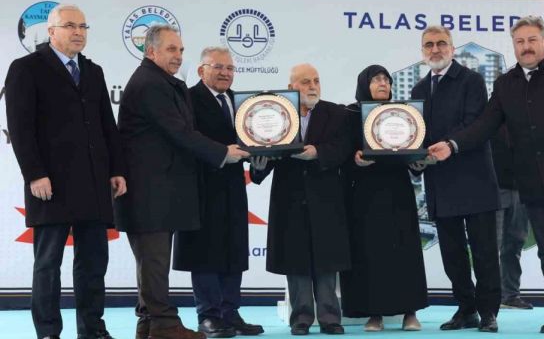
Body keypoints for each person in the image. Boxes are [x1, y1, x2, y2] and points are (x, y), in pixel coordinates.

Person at [428, 16, 544, 335]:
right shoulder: (506, 84)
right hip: (533, 182)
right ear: (514, 46)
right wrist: (452, 144)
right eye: (520, 42)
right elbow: (484, 125)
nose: (526, 47)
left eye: (532, 40)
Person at [115, 25, 248, 339]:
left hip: (158, 191)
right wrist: (222, 152)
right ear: (151, 51)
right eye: (171, 49)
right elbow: (180, 132)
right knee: (154, 262)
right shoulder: (150, 84)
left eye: (181, 50)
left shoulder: (160, 81)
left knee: (151, 263)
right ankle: (164, 325)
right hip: (150, 192)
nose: (178, 56)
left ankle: (149, 325)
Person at [5, 4, 126, 339]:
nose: (77, 32)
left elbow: (107, 125)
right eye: (70, 25)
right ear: (51, 31)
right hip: (51, 183)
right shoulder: (26, 68)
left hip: (94, 182)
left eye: (83, 27)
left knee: (93, 263)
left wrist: (116, 169)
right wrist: (34, 173)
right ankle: (48, 331)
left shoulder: (93, 71)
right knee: (48, 264)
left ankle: (92, 329)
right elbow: (20, 127)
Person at [410, 26, 501, 333]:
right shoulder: (418, 90)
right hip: (440, 182)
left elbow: (474, 124)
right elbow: (417, 135)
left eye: (441, 44)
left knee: (484, 252)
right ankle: (466, 309)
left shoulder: (472, 80)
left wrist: (448, 145)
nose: (435, 49)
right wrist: (414, 157)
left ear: (452, 48)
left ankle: (488, 312)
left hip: (475, 180)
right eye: (429, 45)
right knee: (452, 254)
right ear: (423, 51)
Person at [250, 64, 352, 336]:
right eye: (305, 82)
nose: (312, 86)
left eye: (316, 81)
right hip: (290, 199)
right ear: (291, 87)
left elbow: (343, 147)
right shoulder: (276, 113)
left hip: (326, 199)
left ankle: (330, 318)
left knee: (327, 261)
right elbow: (265, 150)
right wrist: (259, 165)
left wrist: (317, 152)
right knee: (296, 262)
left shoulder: (336, 113)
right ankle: (301, 318)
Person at [172, 47, 264, 338]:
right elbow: (186, 141)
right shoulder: (187, 99)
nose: (225, 73)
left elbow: (250, 143)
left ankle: (230, 313)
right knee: (205, 253)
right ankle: (209, 316)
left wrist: (261, 161)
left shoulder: (242, 103)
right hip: (200, 188)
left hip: (233, 188)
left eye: (230, 68)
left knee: (233, 251)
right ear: (201, 70)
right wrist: (222, 153)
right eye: (218, 67)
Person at [339, 65, 428, 332]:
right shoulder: (350, 115)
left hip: (397, 191)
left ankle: (410, 312)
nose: (383, 83)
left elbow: (415, 148)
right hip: (364, 195)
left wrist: (418, 162)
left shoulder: (403, 113)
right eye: (376, 79)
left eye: (386, 80)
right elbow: (341, 154)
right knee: (369, 253)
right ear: (364, 84)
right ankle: (373, 313)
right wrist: (354, 160)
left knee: (404, 251)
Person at [490, 127, 533, 310]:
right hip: (494, 187)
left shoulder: (527, 118)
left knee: (515, 243)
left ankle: (510, 295)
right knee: (491, 245)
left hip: (522, 187)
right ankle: (489, 296)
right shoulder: (488, 117)